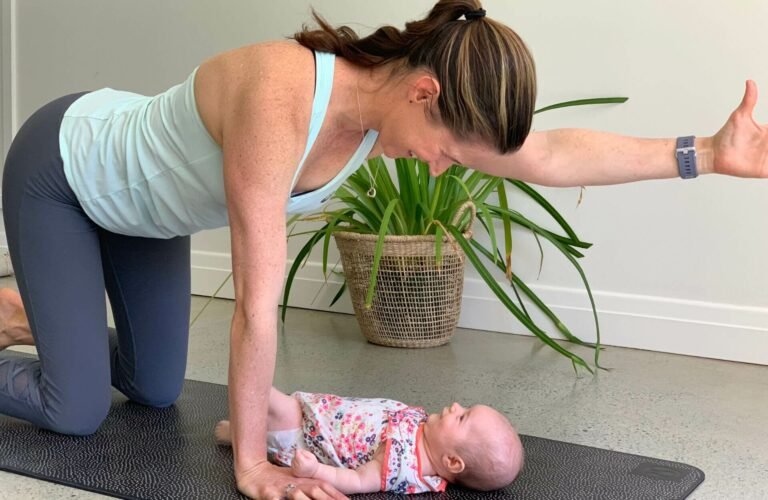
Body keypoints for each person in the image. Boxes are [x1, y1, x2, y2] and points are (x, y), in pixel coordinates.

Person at [0, 0, 765, 498]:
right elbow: (255, 310)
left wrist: (706, 151)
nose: (441, 168)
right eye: (447, 153)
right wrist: (253, 468)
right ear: (424, 94)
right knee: (78, 411)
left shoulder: (397, 114)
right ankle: (59, 338)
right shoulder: (282, 97)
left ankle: (36, 316)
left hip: (149, 219)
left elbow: (554, 155)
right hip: (65, 174)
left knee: (158, 390)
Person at [213, 388, 524, 494]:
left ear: (452, 462)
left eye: (462, 417)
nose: (456, 406)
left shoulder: (403, 466)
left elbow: (358, 481)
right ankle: (238, 432)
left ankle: (236, 434)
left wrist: (315, 472)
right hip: (316, 412)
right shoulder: (423, 431)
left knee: (260, 388)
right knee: (261, 401)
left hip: (305, 433)